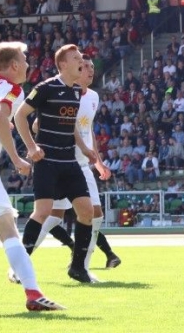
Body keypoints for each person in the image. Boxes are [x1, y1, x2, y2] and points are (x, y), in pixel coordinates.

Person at [0, 42, 65, 310]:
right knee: (8, 231)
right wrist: (16, 158)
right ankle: (33, 293)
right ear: (14, 65)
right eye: (24, 61)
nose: (28, 65)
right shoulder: (12, 88)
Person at [14, 44, 98, 284]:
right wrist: (32, 147)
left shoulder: (76, 91)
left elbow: (71, 124)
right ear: (63, 64)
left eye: (81, 58)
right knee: (42, 212)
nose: (81, 61)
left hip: (69, 161)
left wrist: (84, 148)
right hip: (47, 161)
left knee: (87, 212)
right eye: (76, 58)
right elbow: (20, 116)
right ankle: (20, 267)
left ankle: (78, 268)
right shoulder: (45, 88)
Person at [35, 57, 121, 279]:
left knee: (95, 214)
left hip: (81, 165)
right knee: (52, 216)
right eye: (85, 67)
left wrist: (98, 162)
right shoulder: (62, 93)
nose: (90, 70)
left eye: (92, 67)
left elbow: (88, 129)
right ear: (76, 70)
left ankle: (82, 266)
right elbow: (37, 124)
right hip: (60, 162)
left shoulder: (93, 97)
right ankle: (21, 261)